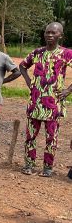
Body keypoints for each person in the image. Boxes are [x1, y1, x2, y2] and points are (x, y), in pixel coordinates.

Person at [20, 22, 72, 177]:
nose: (50, 35)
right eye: (47, 32)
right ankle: (29, 165)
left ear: (60, 35)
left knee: (51, 138)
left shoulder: (66, 53)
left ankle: (48, 168)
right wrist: (30, 83)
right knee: (30, 136)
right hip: (34, 103)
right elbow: (22, 66)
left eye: (53, 33)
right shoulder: (37, 53)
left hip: (53, 104)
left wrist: (67, 90)